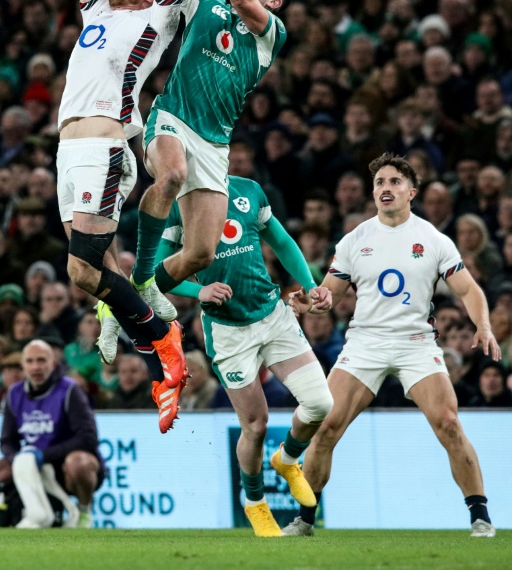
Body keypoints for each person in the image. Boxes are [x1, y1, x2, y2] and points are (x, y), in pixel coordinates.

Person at [95, 0, 295, 304]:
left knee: (201, 253)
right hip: (173, 118)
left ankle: (129, 301)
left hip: (214, 142)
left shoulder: (271, 33)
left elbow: (244, 0)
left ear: (275, 2)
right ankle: (144, 277)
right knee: (171, 175)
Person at [99, 175, 333, 537]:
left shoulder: (249, 190)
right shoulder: (179, 206)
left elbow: (283, 242)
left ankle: (286, 460)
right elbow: (153, 276)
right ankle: (254, 502)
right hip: (227, 333)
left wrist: (310, 284)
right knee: (255, 426)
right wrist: (199, 289)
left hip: (273, 315)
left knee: (319, 404)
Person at [283, 153, 500, 538]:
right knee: (326, 427)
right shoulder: (355, 240)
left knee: (449, 424)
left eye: (394, 182)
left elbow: (468, 288)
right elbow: (328, 297)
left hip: (416, 343)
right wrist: (311, 303)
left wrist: (483, 324)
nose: (386, 188)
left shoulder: (433, 239)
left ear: (411, 192)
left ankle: (480, 516)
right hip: (365, 342)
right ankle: (304, 519)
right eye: (380, 182)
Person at [57, 0, 199, 418]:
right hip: (69, 150)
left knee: (80, 268)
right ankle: (165, 356)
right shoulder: (96, 11)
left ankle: (162, 339)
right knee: (94, 273)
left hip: (105, 149)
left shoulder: (156, 18)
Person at [0, 339, 105, 528]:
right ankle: (18, 514)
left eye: (41, 360)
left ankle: (83, 512)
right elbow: (7, 440)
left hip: (65, 465)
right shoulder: (14, 394)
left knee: (79, 463)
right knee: (2, 467)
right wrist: (17, 459)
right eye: (30, 361)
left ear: (53, 363)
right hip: (35, 464)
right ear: (23, 366)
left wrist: (44, 455)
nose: (36, 367)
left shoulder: (70, 390)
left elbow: (88, 438)